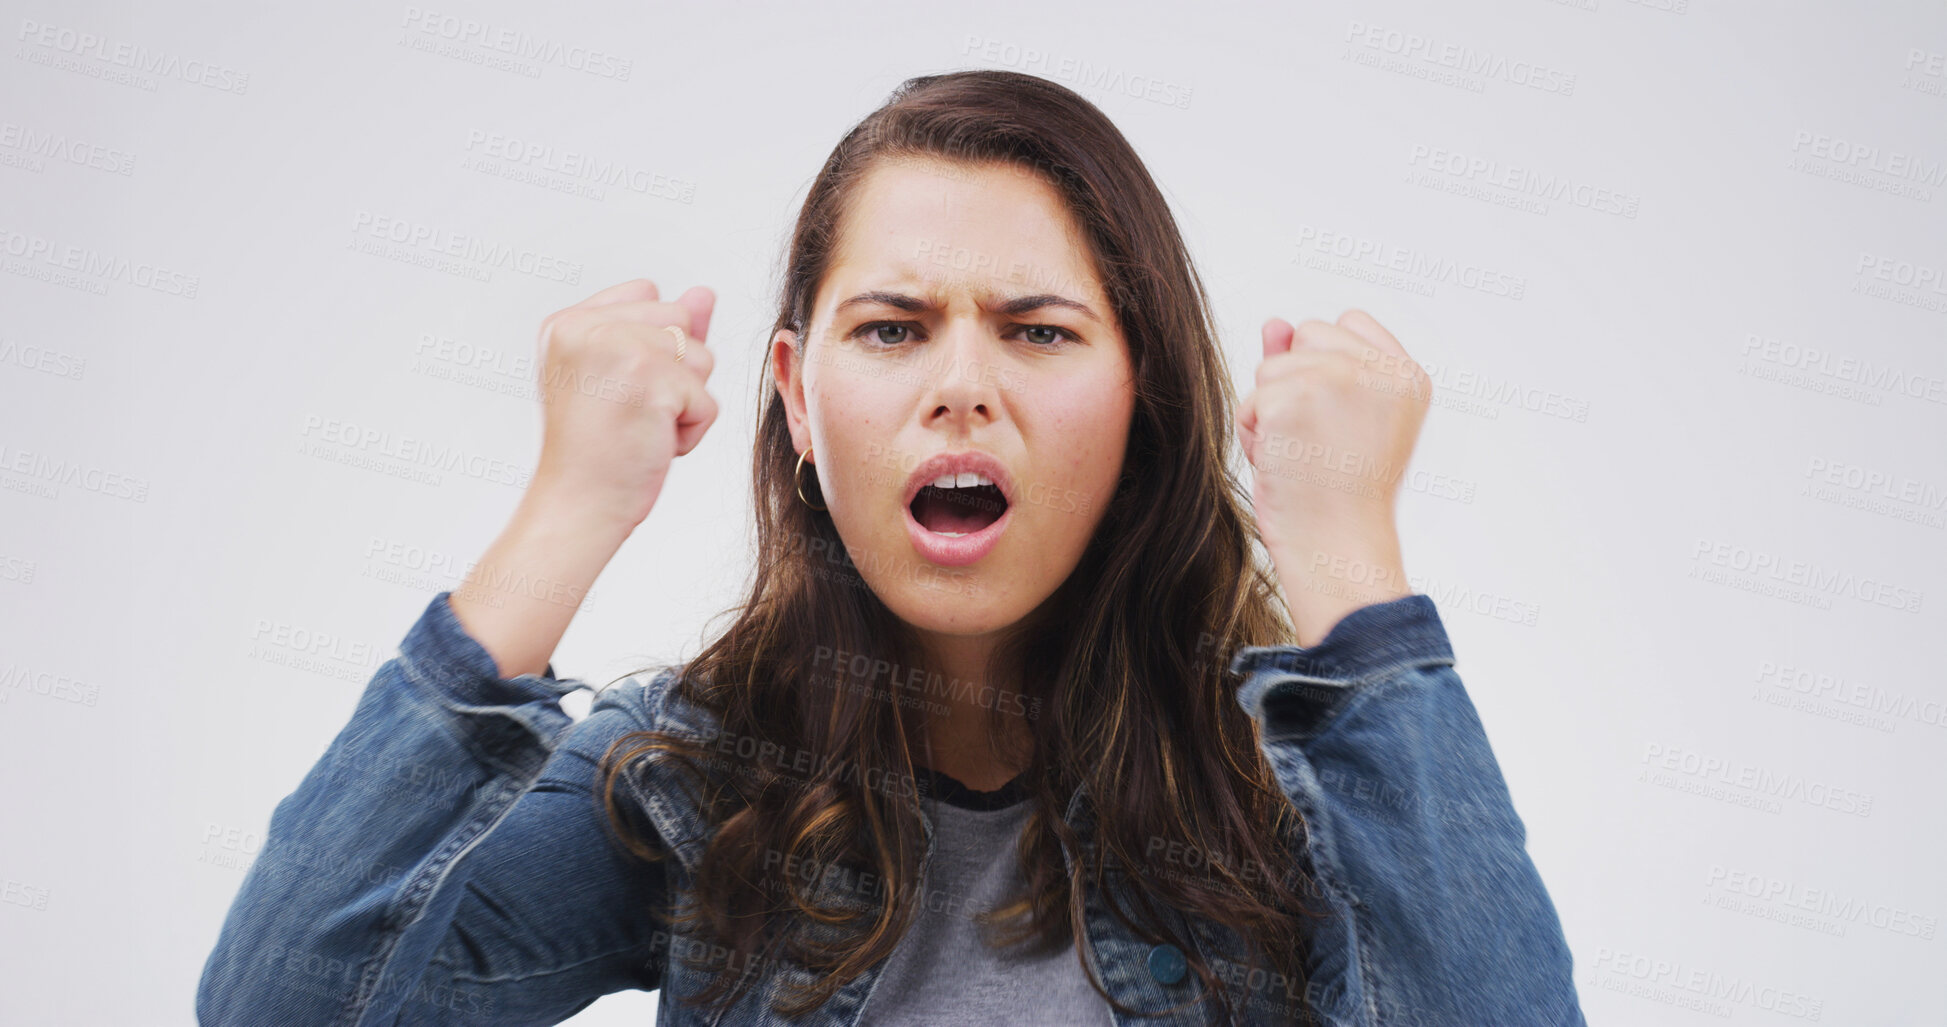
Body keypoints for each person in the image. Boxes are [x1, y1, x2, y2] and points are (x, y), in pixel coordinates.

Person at [197, 69, 1586, 1026]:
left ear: (1146, 398)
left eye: (1038, 331)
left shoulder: (1295, 800)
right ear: (798, 398)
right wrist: (565, 513)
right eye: (893, 327)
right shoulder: (696, 777)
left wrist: (1348, 557)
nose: (960, 387)